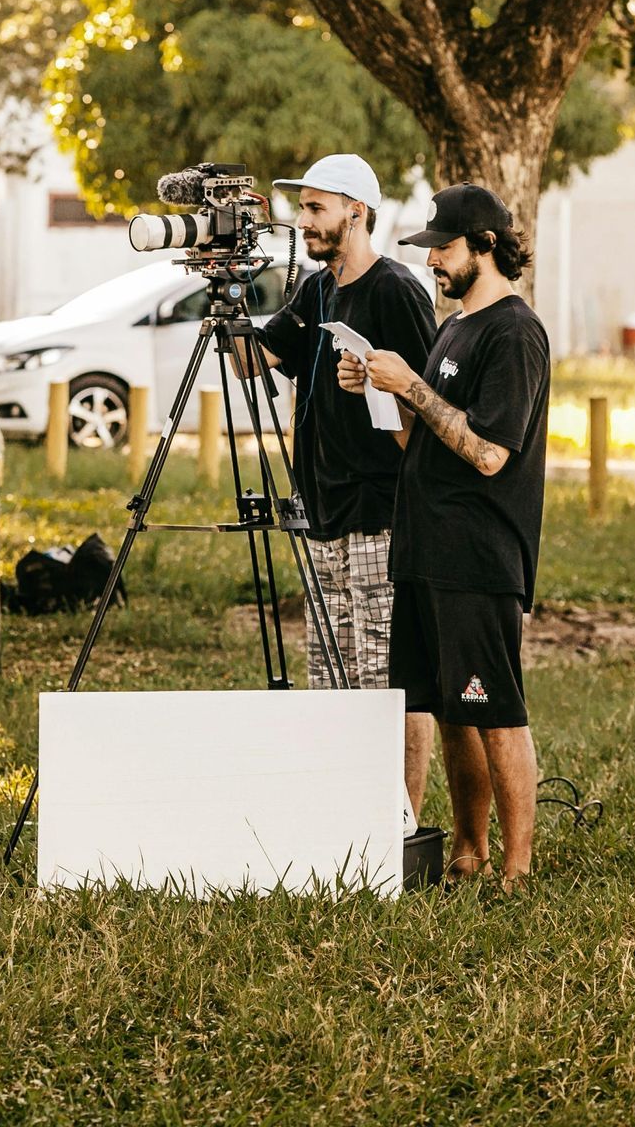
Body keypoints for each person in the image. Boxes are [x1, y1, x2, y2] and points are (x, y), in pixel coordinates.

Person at [338, 183, 548, 888]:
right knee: (452, 710)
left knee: (497, 713)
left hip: (478, 556)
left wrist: (417, 389)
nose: (432, 263)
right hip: (424, 551)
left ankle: (516, 871)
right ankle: (467, 851)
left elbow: (490, 452)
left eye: (444, 249)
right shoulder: (455, 326)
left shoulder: (514, 333)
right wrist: (379, 388)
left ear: (485, 245)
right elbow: (421, 442)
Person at [242, 154, 439, 813]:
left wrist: (383, 382)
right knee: (331, 673)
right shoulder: (316, 290)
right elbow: (253, 360)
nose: (304, 221)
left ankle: (401, 821)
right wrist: (226, 296)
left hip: (382, 507)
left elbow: (430, 403)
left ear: (357, 211)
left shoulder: (396, 290)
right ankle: (338, 811)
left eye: (315, 208)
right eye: (302, 208)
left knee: (386, 674)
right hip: (320, 507)